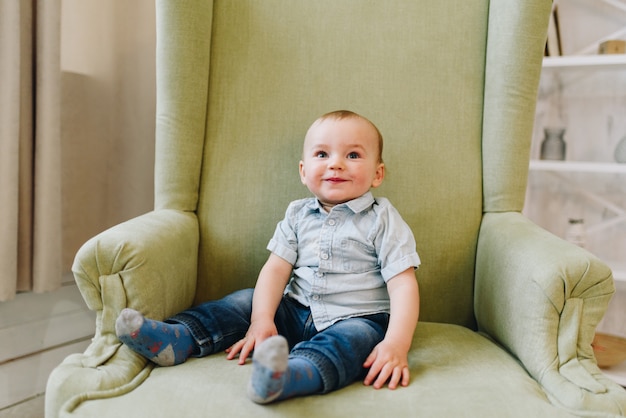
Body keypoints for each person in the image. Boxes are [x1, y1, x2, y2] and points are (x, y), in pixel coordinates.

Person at [115, 110, 421, 404]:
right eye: (322, 154)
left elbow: (403, 284)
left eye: (353, 155)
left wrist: (396, 343)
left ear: (377, 174)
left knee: (354, 340)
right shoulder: (298, 214)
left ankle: (287, 376)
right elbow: (276, 270)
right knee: (244, 300)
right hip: (294, 310)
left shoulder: (382, 219)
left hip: (357, 317)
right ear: (303, 171)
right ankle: (179, 338)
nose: (336, 165)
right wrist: (261, 318)